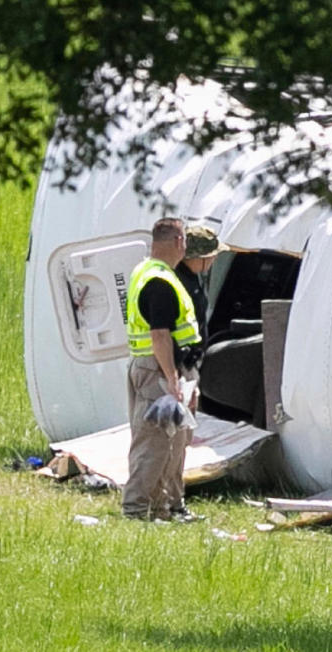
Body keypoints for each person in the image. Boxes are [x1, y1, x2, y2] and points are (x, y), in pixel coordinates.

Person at [122, 217, 202, 522]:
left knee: (173, 440)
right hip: (159, 370)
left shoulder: (147, 272)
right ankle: (137, 508)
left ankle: (164, 507)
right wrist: (172, 377)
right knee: (154, 440)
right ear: (179, 242)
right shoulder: (160, 281)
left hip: (169, 369)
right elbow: (160, 334)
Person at [165, 225, 228, 519]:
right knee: (174, 438)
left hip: (187, 366)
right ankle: (168, 502)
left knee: (182, 437)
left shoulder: (187, 280)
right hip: (181, 367)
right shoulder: (180, 284)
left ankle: (173, 500)